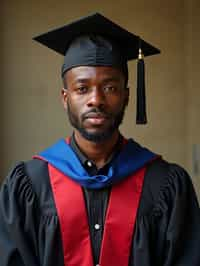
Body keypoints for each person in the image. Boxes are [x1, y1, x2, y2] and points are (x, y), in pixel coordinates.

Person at [0, 13, 200, 266]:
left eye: (109, 88)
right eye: (82, 89)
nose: (96, 99)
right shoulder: (29, 185)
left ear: (127, 96)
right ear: (65, 98)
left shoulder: (166, 185)